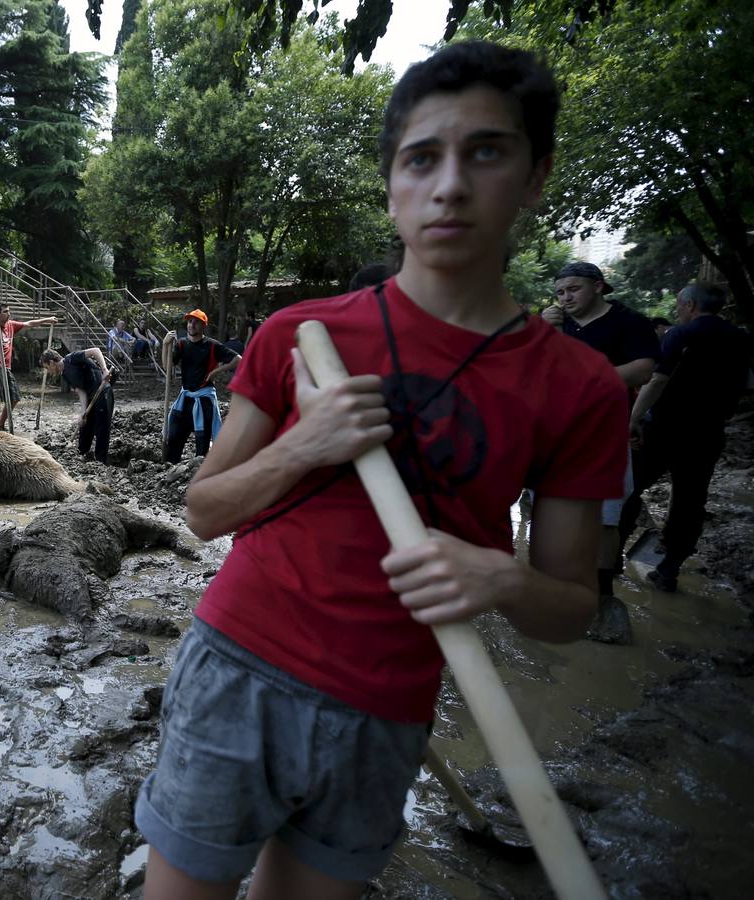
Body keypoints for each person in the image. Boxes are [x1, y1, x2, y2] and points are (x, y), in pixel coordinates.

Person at [136, 41, 627, 900]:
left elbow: (571, 610)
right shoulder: (300, 335)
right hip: (237, 668)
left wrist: (498, 578)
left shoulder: (580, 387)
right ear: (392, 185)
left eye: (485, 152)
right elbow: (205, 511)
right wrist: (303, 445)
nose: (449, 186)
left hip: (390, 705)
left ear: (536, 175)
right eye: (420, 159)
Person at [541, 260, 659, 635]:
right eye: (560, 292)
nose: (566, 297)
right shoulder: (556, 324)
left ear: (598, 286)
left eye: (573, 289)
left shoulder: (629, 321)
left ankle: (602, 595)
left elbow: (643, 369)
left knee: (605, 518)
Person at [618, 283, 753, 591]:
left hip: (665, 429)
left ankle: (612, 559)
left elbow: (657, 380)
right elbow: (747, 383)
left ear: (690, 304)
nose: (678, 312)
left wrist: (634, 418)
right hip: (708, 432)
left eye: (680, 306)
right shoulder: (741, 338)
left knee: (629, 488)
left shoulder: (681, 334)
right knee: (691, 500)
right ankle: (669, 569)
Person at [160, 309, 240, 464]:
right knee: (174, 436)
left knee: (202, 444)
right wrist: (165, 345)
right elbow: (167, 367)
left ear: (204, 326)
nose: (192, 325)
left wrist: (217, 371)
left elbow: (238, 359)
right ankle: (170, 470)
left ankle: (200, 473)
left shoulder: (212, 346)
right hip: (186, 399)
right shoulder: (182, 344)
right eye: (190, 321)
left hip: (204, 401)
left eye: (196, 322)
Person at [0, 304, 57, 431]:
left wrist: (47, 320)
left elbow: (29, 324)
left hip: (6, 367)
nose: (9, 314)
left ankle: (0, 425)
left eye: (9, 311)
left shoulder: (11, 325)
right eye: (5, 311)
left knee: (14, 397)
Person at [41, 347, 115, 462]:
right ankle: (82, 453)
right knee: (85, 425)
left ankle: (101, 461)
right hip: (90, 395)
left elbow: (95, 351)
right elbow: (81, 392)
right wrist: (82, 413)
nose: (48, 371)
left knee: (102, 427)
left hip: (102, 390)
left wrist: (104, 370)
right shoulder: (65, 374)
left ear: (51, 362)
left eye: (47, 368)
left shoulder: (72, 358)